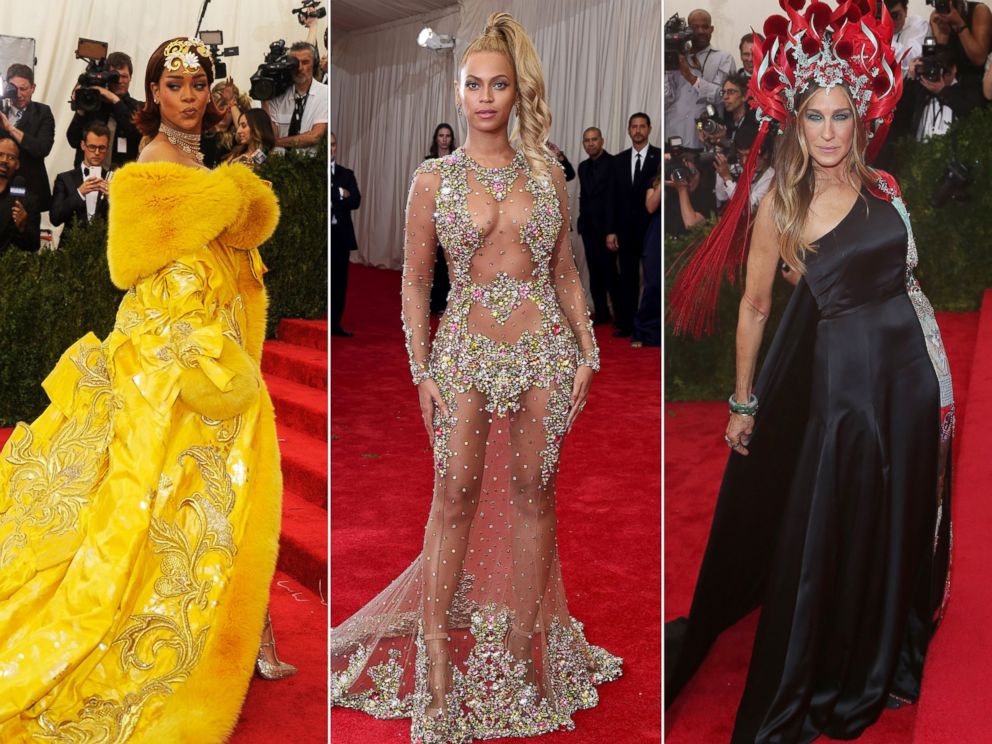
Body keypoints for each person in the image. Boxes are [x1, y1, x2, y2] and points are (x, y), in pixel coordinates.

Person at [330, 12, 622, 743]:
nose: (485, 97)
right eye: (473, 85)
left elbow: (564, 273)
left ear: (517, 91)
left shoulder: (550, 174)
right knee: (453, 493)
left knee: (534, 494)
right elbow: (414, 282)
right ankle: (433, 653)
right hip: (461, 352)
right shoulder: (433, 178)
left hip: (544, 354)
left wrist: (588, 348)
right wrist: (420, 369)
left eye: (498, 84)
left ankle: (523, 649)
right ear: (458, 94)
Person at [667, 3, 954, 741]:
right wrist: (742, 400)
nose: (828, 131)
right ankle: (833, 661)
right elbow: (756, 309)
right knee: (841, 525)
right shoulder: (781, 208)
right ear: (794, 122)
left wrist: (937, 381)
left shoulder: (886, 188)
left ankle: (885, 644)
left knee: (893, 519)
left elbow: (909, 284)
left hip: (909, 388)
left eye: (840, 116)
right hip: (847, 397)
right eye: (815, 117)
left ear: (859, 121)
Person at [0, 37, 298, 742]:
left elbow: (236, 249)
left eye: (200, 83)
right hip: (159, 364)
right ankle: (155, 628)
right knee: (141, 503)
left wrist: (235, 198)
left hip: (209, 358)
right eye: (175, 84)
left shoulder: (203, 163)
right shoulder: (157, 164)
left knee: (220, 497)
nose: (189, 96)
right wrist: (230, 193)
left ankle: (238, 621)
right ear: (153, 95)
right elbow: (129, 263)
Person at [607, 112, 661, 337]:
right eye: (634, 127)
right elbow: (611, 198)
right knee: (627, 279)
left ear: (649, 129)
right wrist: (610, 230)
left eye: (642, 126)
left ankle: (650, 325)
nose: (638, 130)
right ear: (628, 131)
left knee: (652, 280)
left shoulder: (659, 158)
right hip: (625, 231)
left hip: (651, 230)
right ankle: (627, 324)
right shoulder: (617, 160)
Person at [664, 9, 735, 147]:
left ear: (712, 29)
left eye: (705, 26)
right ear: (687, 30)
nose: (701, 31)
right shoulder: (674, 57)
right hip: (672, 135)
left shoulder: (724, 58)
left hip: (703, 141)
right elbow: (666, 97)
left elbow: (722, 96)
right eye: (695, 27)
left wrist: (690, 77)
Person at [66, 51, 143, 168]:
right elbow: (73, 140)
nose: (120, 81)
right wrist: (81, 109)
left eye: (124, 76)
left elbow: (134, 132)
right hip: (88, 177)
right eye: (115, 77)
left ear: (131, 78)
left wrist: (113, 99)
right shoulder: (93, 104)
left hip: (121, 178)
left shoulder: (138, 107)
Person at [0, 63, 55, 212]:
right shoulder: (1, 109)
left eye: (23, 89)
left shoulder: (43, 112)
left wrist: (10, 128)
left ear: (33, 88)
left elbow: (41, 148)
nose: (18, 94)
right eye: (14, 88)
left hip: (30, 187)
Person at [577, 126, 618, 325]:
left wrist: (611, 230)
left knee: (610, 272)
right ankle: (601, 314)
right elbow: (584, 196)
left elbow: (613, 199)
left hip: (606, 228)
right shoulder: (582, 167)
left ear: (602, 140)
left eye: (594, 139)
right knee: (594, 273)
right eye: (587, 140)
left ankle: (619, 315)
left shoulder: (613, 163)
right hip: (588, 228)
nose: (591, 143)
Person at [263, 42, 329, 152]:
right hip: (279, 164)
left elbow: (315, 136)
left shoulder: (325, 93)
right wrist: (264, 99)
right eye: (294, 63)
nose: (299, 68)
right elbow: (272, 135)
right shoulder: (278, 96)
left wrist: (277, 142)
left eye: (305, 62)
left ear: (314, 65)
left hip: (310, 164)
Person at [50, 121, 115, 228]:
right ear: (83, 145)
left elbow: (125, 221)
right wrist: (80, 193)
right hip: (71, 243)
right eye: (92, 147)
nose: (97, 152)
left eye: (102, 148)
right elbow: (55, 218)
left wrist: (111, 200)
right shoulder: (64, 179)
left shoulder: (113, 180)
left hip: (103, 243)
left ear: (107, 148)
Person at [331, 132, 360, 337]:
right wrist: (340, 193)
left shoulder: (346, 174)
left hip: (341, 236)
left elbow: (355, 201)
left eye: (333, 145)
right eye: (328, 145)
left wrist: (335, 193)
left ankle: (335, 325)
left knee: (340, 283)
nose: (331, 149)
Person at [426, 123, 457, 314]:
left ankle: (446, 303)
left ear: (451, 139)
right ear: (436, 138)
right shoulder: (428, 162)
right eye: (441, 135)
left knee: (449, 262)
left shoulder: (457, 161)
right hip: (432, 217)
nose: (444, 139)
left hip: (452, 217)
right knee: (433, 262)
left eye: (447, 136)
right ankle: (433, 302)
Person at [928, 0, 992, 86]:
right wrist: (944, 34)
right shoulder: (936, 17)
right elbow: (940, 62)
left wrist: (959, 25)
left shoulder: (979, 11)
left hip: (979, 81)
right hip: (951, 81)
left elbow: (979, 60)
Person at [632, 169, 661, 348]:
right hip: (656, 231)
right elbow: (650, 207)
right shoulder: (654, 182)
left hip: (676, 226)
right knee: (653, 284)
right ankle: (642, 330)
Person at [0, 135, 39, 252]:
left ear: (17, 164)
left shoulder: (28, 201)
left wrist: (23, 227)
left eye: (11, 157)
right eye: (0, 154)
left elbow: (34, 245)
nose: (4, 160)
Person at [887, 0, 931, 76]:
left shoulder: (918, 25)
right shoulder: (877, 29)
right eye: (886, 16)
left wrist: (880, 42)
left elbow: (913, 59)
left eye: (895, 15)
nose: (890, 21)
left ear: (905, 11)